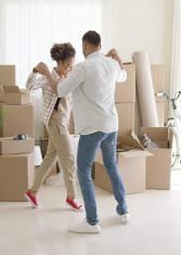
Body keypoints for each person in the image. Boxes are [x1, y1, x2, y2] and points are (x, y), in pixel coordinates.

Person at [34, 30, 129, 234]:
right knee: (112, 166)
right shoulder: (111, 64)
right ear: (100, 46)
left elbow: (59, 90)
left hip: (92, 128)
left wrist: (46, 73)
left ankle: (92, 221)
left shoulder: (83, 68)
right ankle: (123, 210)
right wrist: (118, 58)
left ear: (85, 45)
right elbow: (124, 75)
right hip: (112, 126)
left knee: (83, 170)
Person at [24, 43, 83, 212]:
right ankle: (71, 197)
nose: (69, 69)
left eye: (72, 65)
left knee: (49, 159)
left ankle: (32, 192)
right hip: (55, 122)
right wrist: (35, 71)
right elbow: (29, 87)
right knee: (70, 159)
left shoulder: (70, 77)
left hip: (62, 122)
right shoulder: (48, 76)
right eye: (67, 66)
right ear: (59, 62)